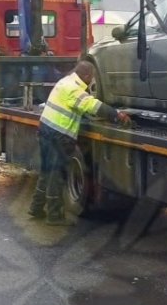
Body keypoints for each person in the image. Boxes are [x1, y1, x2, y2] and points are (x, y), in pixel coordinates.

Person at [29, 60, 132, 225]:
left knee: (46, 172)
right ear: (85, 75)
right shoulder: (74, 91)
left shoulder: (64, 82)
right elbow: (93, 106)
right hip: (59, 135)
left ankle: (36, 207)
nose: (92, 80)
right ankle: (54, 216)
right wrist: (117, 115)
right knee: (57, 175)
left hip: (46, 131)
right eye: (91, 76)